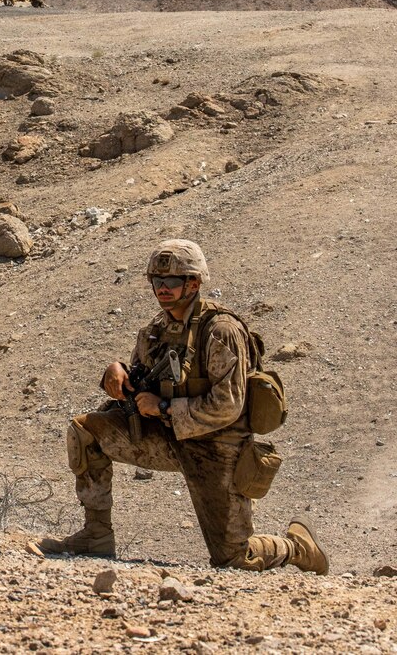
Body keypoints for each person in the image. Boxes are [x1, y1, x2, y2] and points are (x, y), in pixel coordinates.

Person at [36, 239, 329, 575]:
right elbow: (139, 384)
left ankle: (296, 546)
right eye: (156, 282)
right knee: (86, 431)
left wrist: (164, 408)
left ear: (194, 284)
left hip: (218, 448)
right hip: (168, 438)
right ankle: (95, 536)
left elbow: (228, 405)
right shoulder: (155, 331)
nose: (162, 289)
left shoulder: (221, 330)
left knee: (234, 560)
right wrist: (116, 374)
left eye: (171, 282)